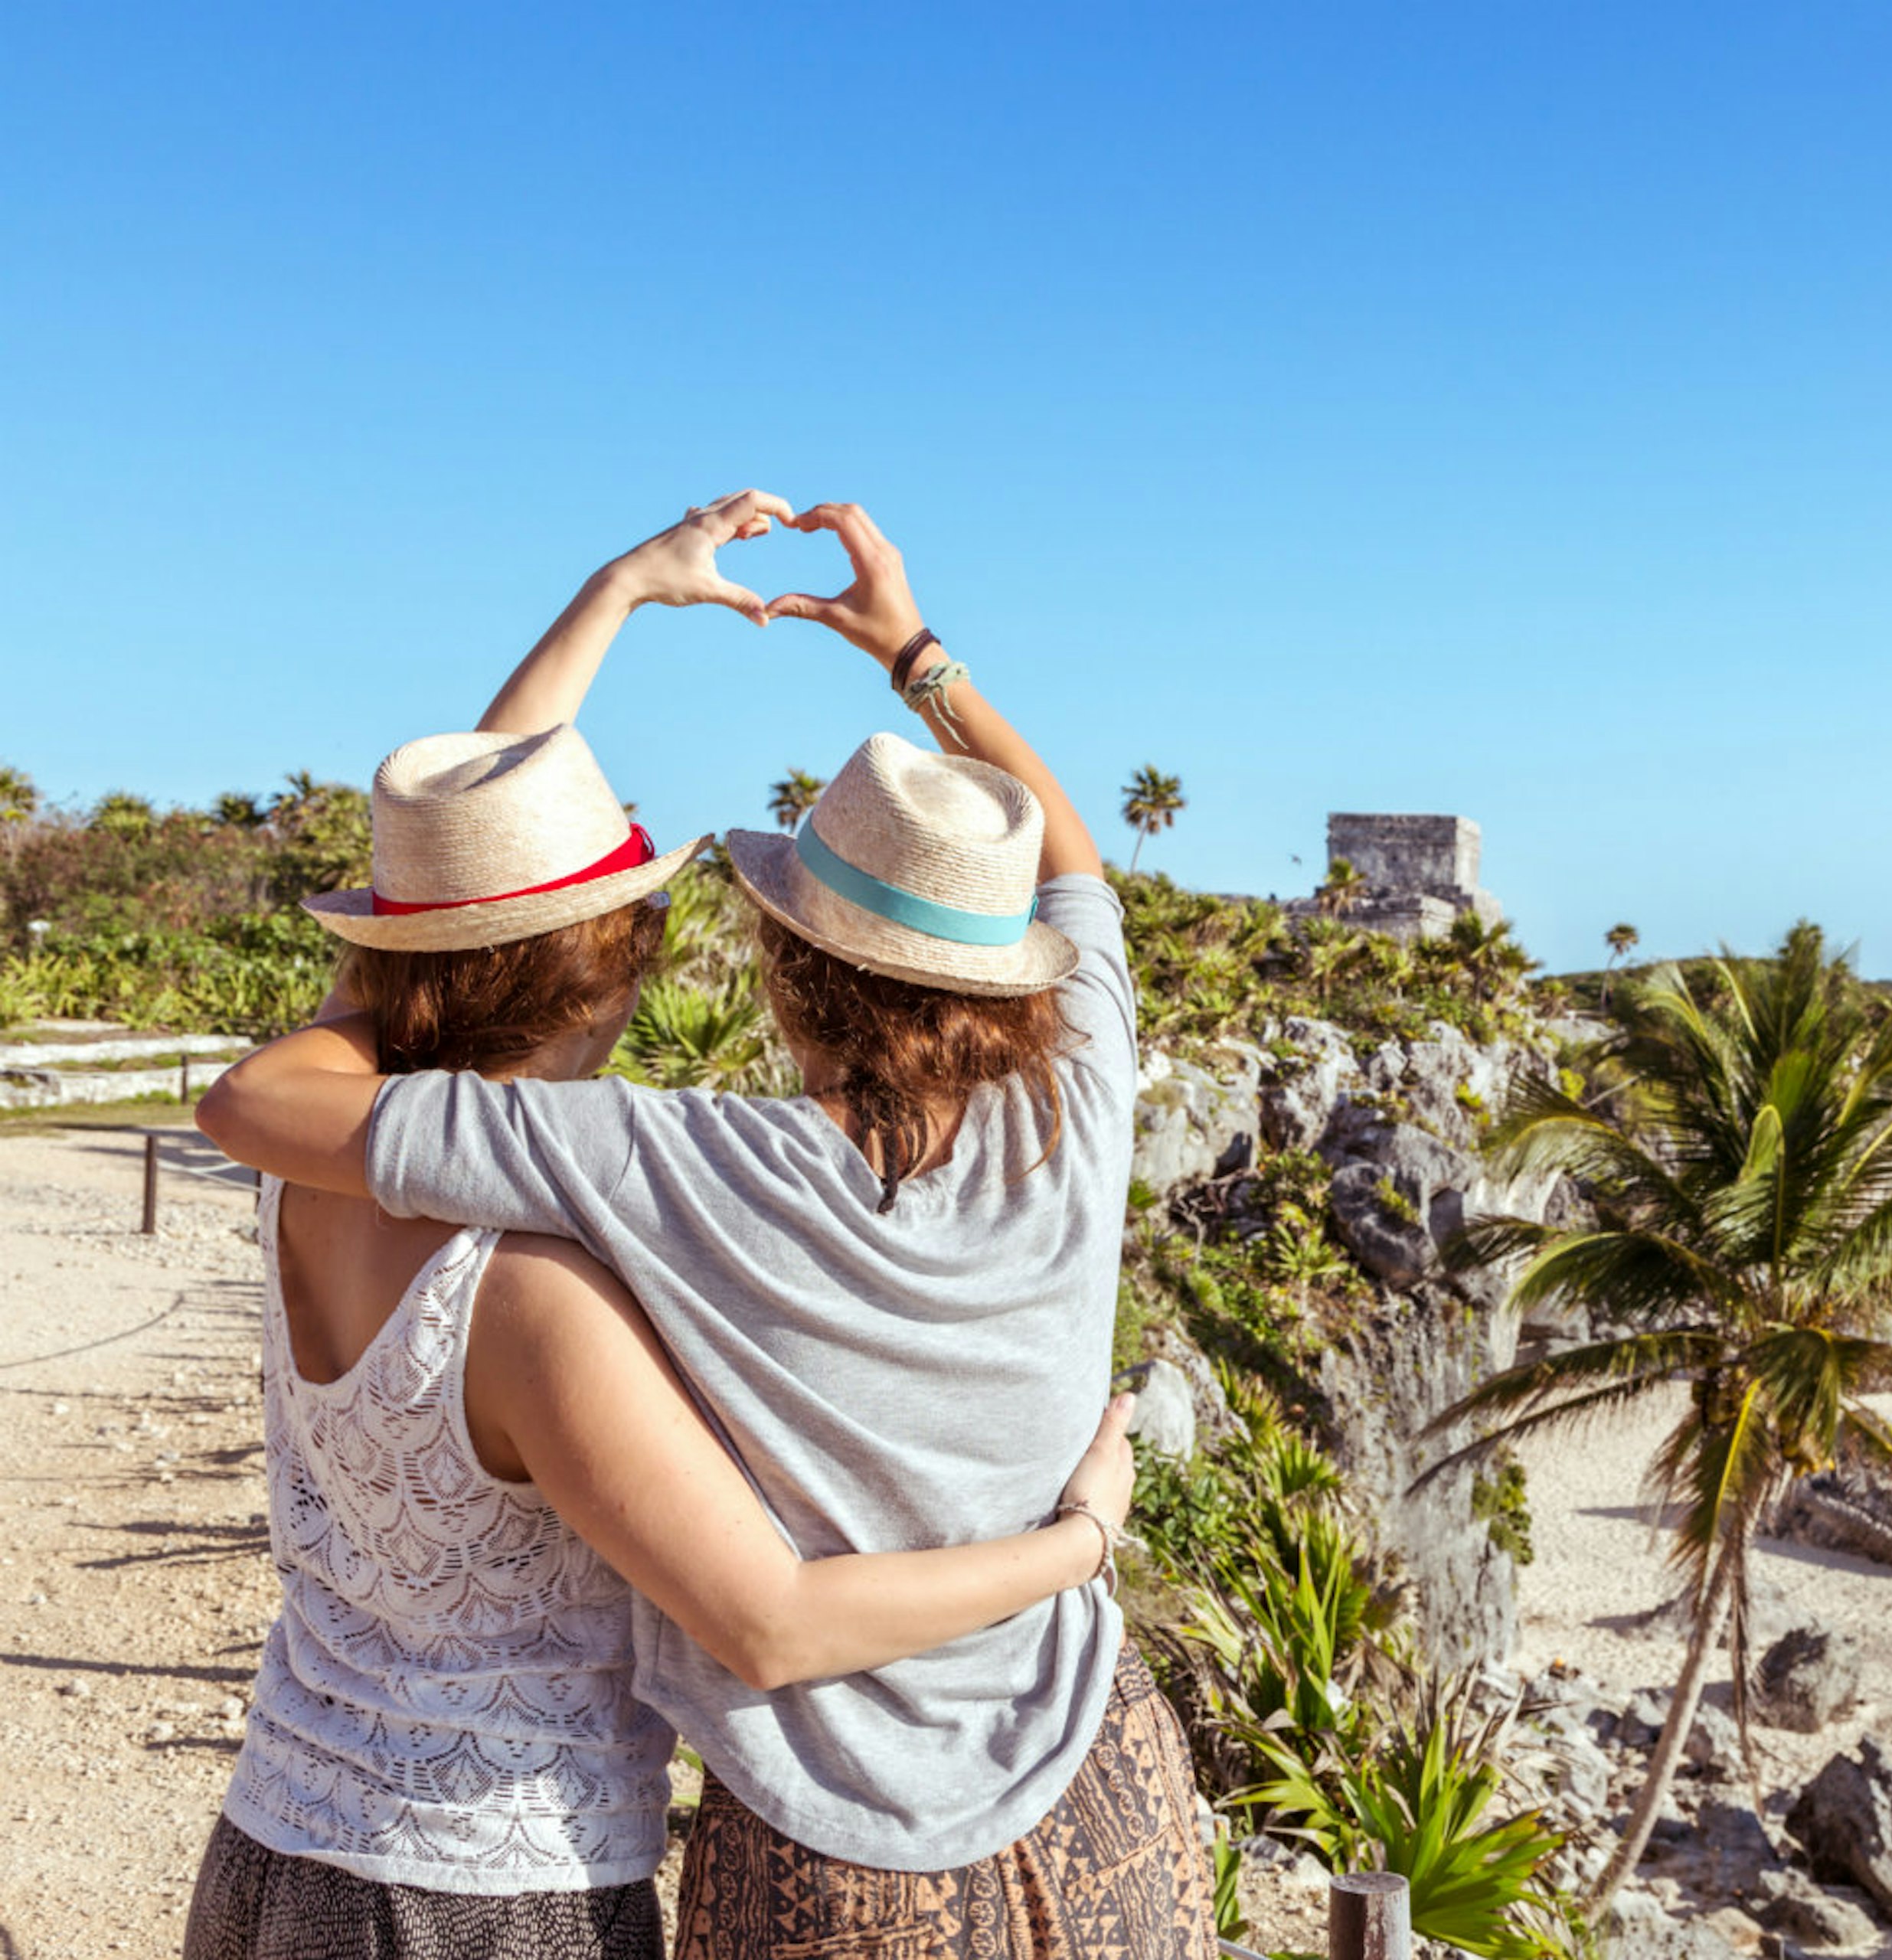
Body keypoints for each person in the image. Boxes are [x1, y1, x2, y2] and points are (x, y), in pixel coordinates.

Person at [201, 492, 1209, 1958]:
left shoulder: (659, 1167)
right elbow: (1074, 863)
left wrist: (607, 603)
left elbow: (276, 1084)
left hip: (811, 1841)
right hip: (1093, 1768)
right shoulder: (1083, 1092)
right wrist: (922, 660)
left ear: (788, 981)